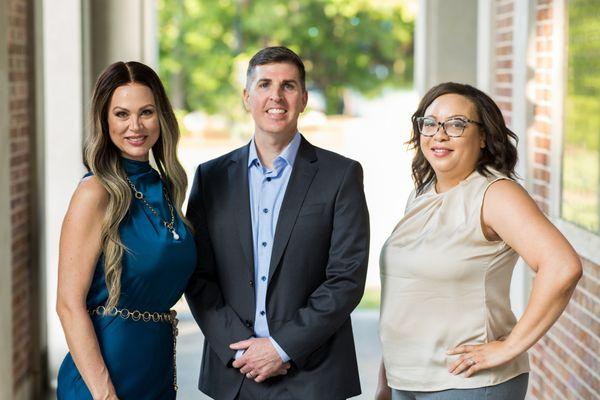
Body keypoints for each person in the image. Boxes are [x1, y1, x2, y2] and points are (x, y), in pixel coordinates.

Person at [376, 82, 582, 400]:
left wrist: (510, 347)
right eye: (430, 123)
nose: (439, 134)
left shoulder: (495, 194)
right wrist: (386, 380)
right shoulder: (422, 193)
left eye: (456, 124)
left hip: (466, 383)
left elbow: (562, 266)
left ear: (483, 136)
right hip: (407, 380)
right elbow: (406, 297)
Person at [185, 46, 370, 400]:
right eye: (265, 84)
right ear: (247, 97)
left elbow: (346, 278)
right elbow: (197, 275)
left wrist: (281, 347)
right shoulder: (211, 178)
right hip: (235, 375)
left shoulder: (341, 175)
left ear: (303, 99)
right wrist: (242, 350)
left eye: (288, 86)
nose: (276, 96)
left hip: (314, 376)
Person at [56, 61, 195, 399]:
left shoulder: (165, 187)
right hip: (101, 383)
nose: (135, 126)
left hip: (155, 373)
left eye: (146, 112)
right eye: (122, 114)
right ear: (105, 121)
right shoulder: (95, 192)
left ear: (161, 117)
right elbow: (68, 304)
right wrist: (105, 393)